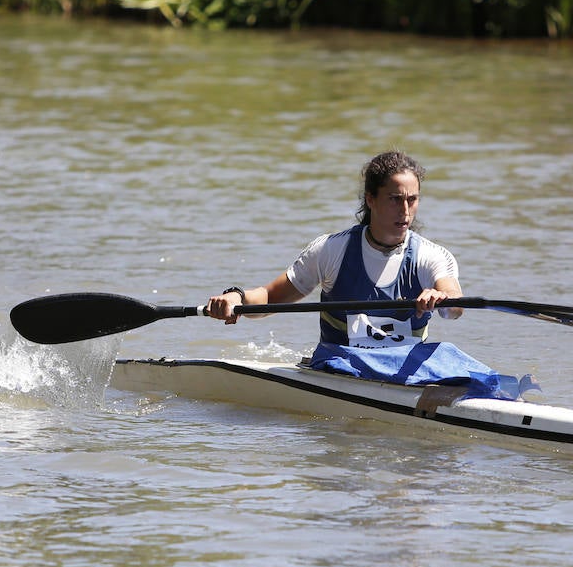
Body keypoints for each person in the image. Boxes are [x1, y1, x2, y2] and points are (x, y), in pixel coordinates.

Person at [206, 151, 531, 400]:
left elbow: (454, 306)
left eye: (412, 200)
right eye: (394, 199)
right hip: (341, 365)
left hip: (407, 367)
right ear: (371, 199)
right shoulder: (331, 251)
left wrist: (441, 297)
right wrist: (236, 297)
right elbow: (271, 299)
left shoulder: (431, 256)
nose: (405, 211)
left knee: (460, 362)